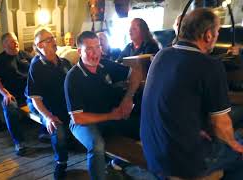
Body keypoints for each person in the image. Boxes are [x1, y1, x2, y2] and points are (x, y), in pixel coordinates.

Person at [141, 8, 243, 179]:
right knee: (238, 153)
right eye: (217, 32)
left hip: (153, 151)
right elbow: (221, 125)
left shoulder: (162, 55)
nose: (217, 36)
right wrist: (234, 145)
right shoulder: (209, 65)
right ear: (208, 35)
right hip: (182, 161)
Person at [64, 31, 143, 180]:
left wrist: (129, 96)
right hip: (83, 123)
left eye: (98, 47)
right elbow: (77, 117)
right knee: (97, 145)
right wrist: (111, 115)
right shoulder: (73, 77)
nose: (95, 53)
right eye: (89, 49)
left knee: (144, 127)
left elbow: (136, 72)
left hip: (110, 117)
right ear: (80, 51)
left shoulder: (104, 65)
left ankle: (118, 163)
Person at [25, 28, 72, 180]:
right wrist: (48, 117)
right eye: (48, 39)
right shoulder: (36, 66)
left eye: (53, 37)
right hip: (41, 104)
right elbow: (36, 99)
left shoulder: (64, 63)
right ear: (39, 46)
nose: (53, 41)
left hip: (60, 102)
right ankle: (61, 162)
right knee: (56, 129)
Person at [0, 32, 31, 156]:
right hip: (10, 95)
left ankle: (44, 131)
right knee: (10, 108)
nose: (16, 43)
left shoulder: (25, 55)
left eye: (16, 40)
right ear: (4, 44)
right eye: (12, 41)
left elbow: (37, 68)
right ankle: (19, 142)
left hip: (29, 93)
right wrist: (5, 93)